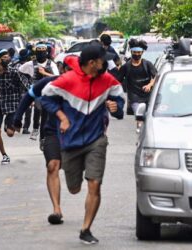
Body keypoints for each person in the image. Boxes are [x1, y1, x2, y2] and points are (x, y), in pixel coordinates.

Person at [41, 45, 125, 244]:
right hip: (70, 142)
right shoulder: (67, 80)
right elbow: (45, 97)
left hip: (96, 140)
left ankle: (86, 228)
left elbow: (120, 103)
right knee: (74, 189)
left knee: (95, 184)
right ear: (91, 63)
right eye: (102, 60)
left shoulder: (107, 81)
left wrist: (116, 107)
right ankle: (75, 195)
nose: (105, 63)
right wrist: (62, 116)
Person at [14, 55, 77, 225]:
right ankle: (56, 210)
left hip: (76, 136)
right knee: (52, 166)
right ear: (63, 70)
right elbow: (28, 96)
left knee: (74, 183)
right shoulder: (50, 84)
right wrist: (17, 119)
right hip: (52, 133)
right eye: (69, 70)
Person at [19, 43, 59, 141]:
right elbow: (20, 71)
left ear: (46, 52)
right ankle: (36, 129)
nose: (41, 54)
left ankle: (42, 138)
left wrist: (44, 73)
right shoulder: (30, 64)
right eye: (39, 52)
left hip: (48, 92)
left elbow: (56, 77)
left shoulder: (52, 64)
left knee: (45, 115)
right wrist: (27, 85)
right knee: (37, 110)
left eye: (43, 52)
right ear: (36, 53)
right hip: (36, 91)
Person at [117, 38, 157, 131]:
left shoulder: (147, 64)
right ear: (131, 52)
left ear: (142, 52)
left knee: (148, 116)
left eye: (139, 52)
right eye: (134, 52)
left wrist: (150, 85)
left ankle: (144, 130)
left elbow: (155, 76)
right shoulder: (126, 66)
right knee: (139, 113)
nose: (137, 54)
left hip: (147, 96)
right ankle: (140, 129)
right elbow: (117, 81)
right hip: (134, 97)